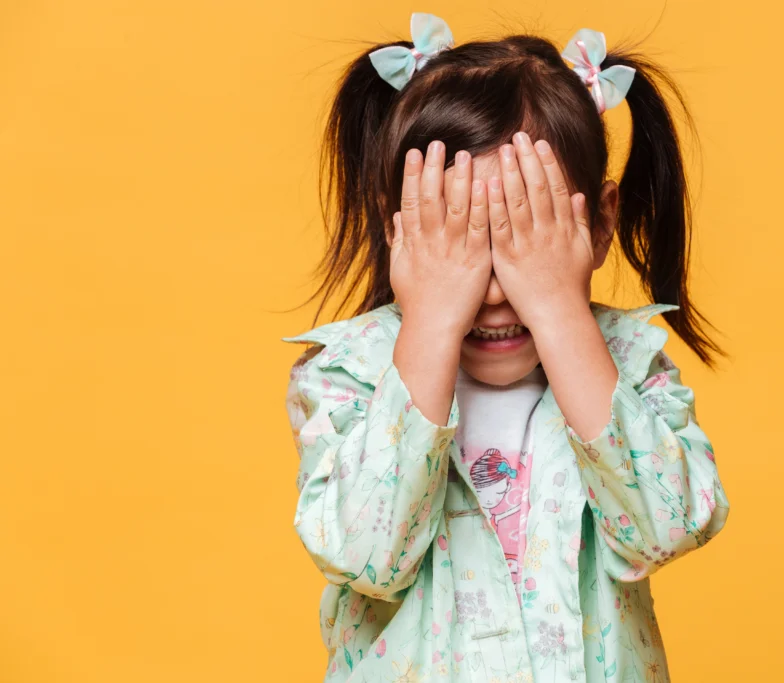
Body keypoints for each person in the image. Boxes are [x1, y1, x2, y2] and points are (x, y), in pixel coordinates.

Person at [282, 13, 730, 682]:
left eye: (525, 237)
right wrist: (431, 317)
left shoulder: (630, 362)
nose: (491, 291)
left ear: (600, 222)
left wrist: (559, 309)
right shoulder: (349, 373)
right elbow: (364, 554)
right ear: (397, 230)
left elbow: (670, 527)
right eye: (459, 240)